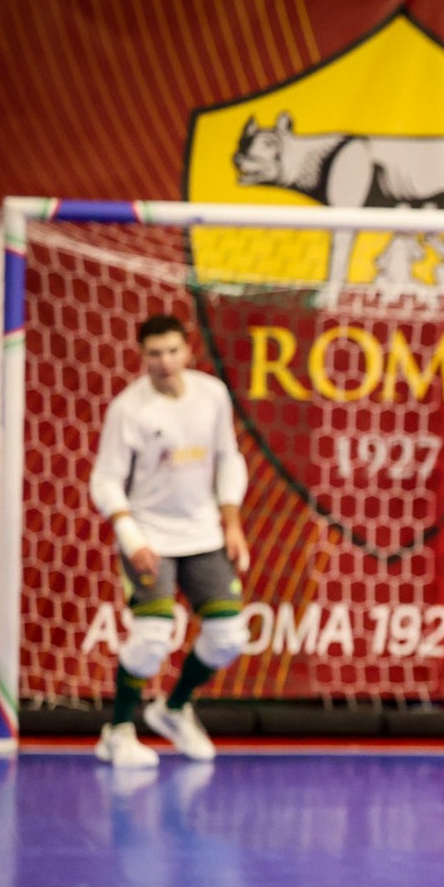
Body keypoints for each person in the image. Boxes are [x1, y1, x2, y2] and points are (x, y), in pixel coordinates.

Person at [87, 313, 252, 768]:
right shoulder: (129, 409)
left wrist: (231, 522)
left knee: (228, 636)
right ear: (142, 356)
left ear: (188, 350)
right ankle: (118, 732)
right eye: (155, 353)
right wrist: (130, 537)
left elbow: (229, 458)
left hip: (203, 534)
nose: (165, 361)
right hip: (149, 536)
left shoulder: (212, 395)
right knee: (151, 640)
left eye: (173, 351)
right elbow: (105, 480)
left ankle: (174, 710)